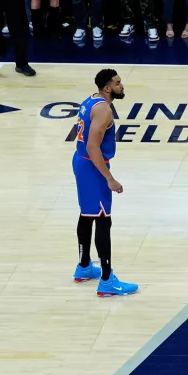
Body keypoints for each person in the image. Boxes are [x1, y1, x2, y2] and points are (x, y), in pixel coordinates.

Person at [72, 69, 139, 297]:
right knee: (102, 219)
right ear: (107, 88)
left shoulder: (91, 100)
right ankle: (107, 280)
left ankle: (83, 266)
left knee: (87, 214)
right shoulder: (104, 110)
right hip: (92, 165)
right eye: (118, 83)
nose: (122, 86)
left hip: (81, 162)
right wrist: (109, 178)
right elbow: (93, 147)